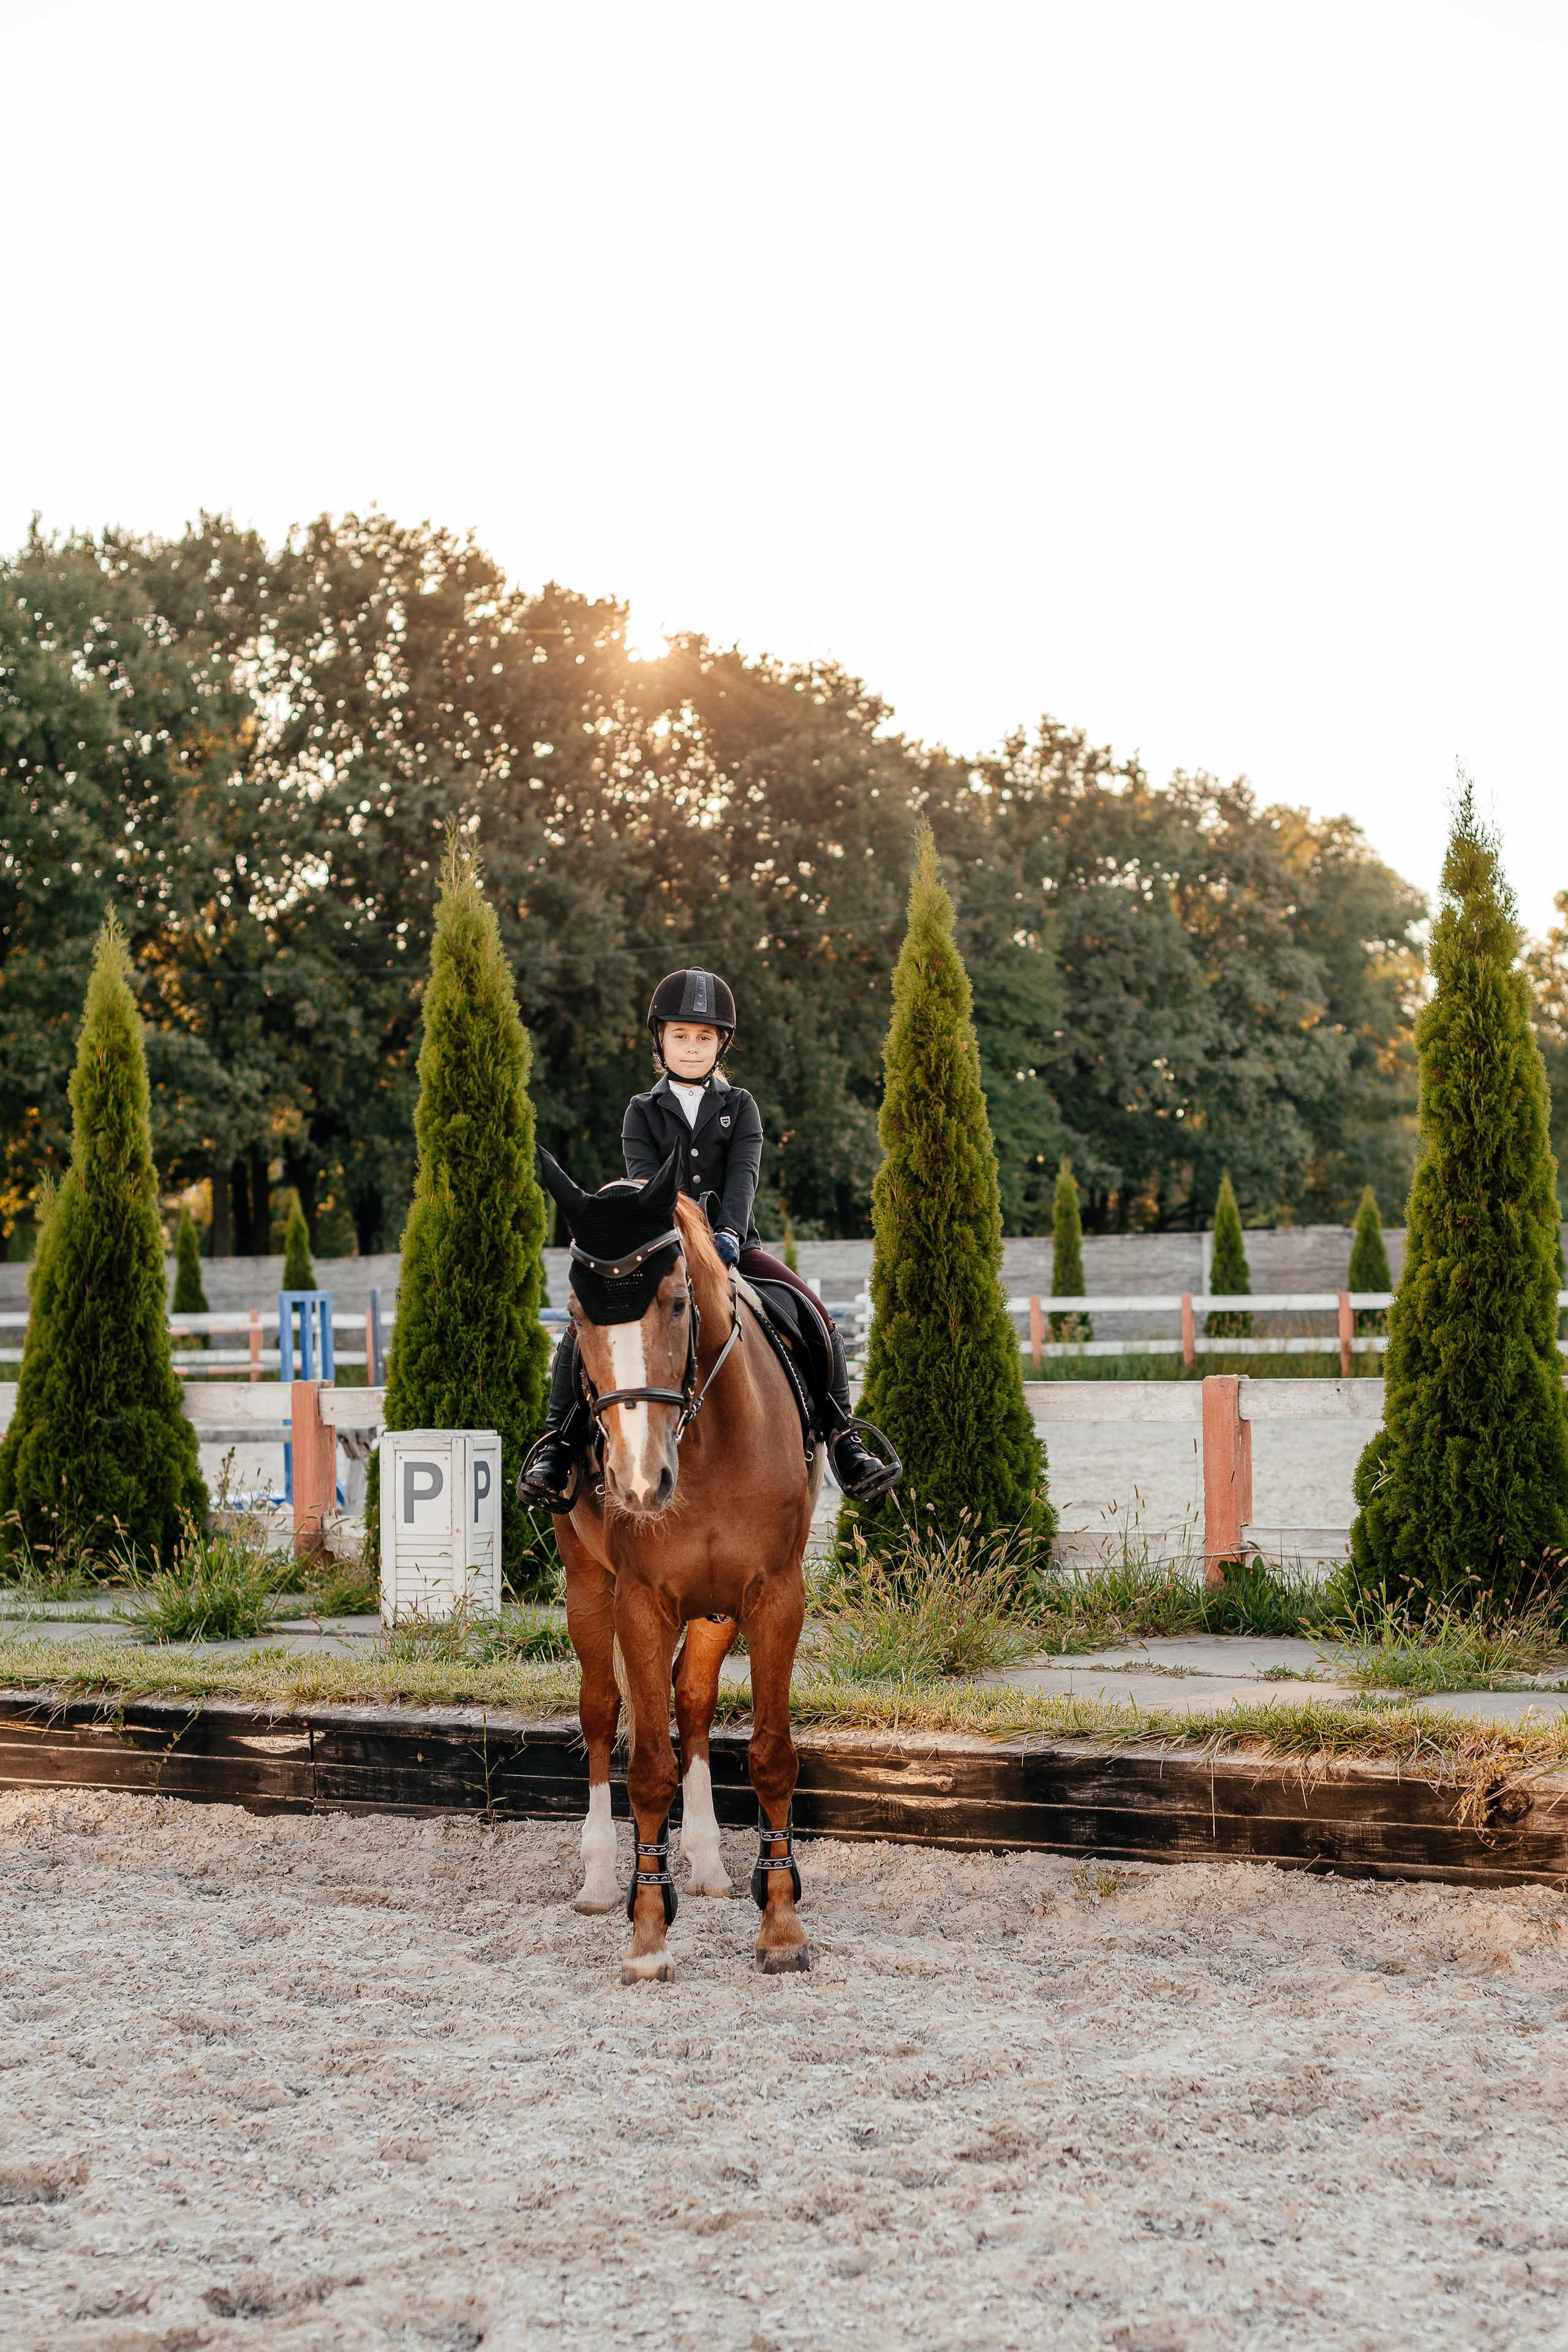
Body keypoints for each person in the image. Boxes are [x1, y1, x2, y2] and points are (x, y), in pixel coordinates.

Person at [519, 968, 891, 1507]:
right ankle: (558, 1444)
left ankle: (843, 1440)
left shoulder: (740, 1106)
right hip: (660, 1251)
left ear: (721, 1044)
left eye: (704, 1038)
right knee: (586, 1326)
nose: (691, 1048)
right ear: (660, 1041)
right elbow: (649, 1186)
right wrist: (688, 1239)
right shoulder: (641, 1111)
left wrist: (729, 1235)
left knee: (813, 1312)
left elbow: (744, 1178)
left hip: (736, 1248)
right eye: (680, 1036)